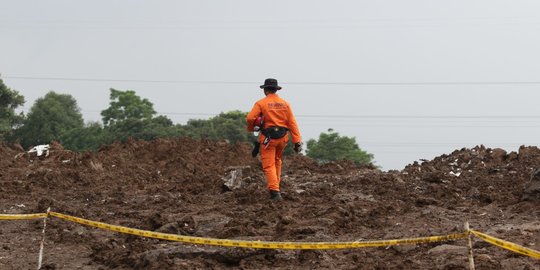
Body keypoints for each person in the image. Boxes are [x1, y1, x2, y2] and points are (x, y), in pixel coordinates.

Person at [247, 78, 302, 200]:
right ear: (276, 90)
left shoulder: (261, 103)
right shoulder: (285, 104)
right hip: (283, 138)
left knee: (269, 165)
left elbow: (250, 118)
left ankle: (275, 192)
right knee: (277, 161)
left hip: (268, 138)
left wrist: (251, 129)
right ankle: (276, 187)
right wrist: (297, 141)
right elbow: (292, 123)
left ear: (265, 90)